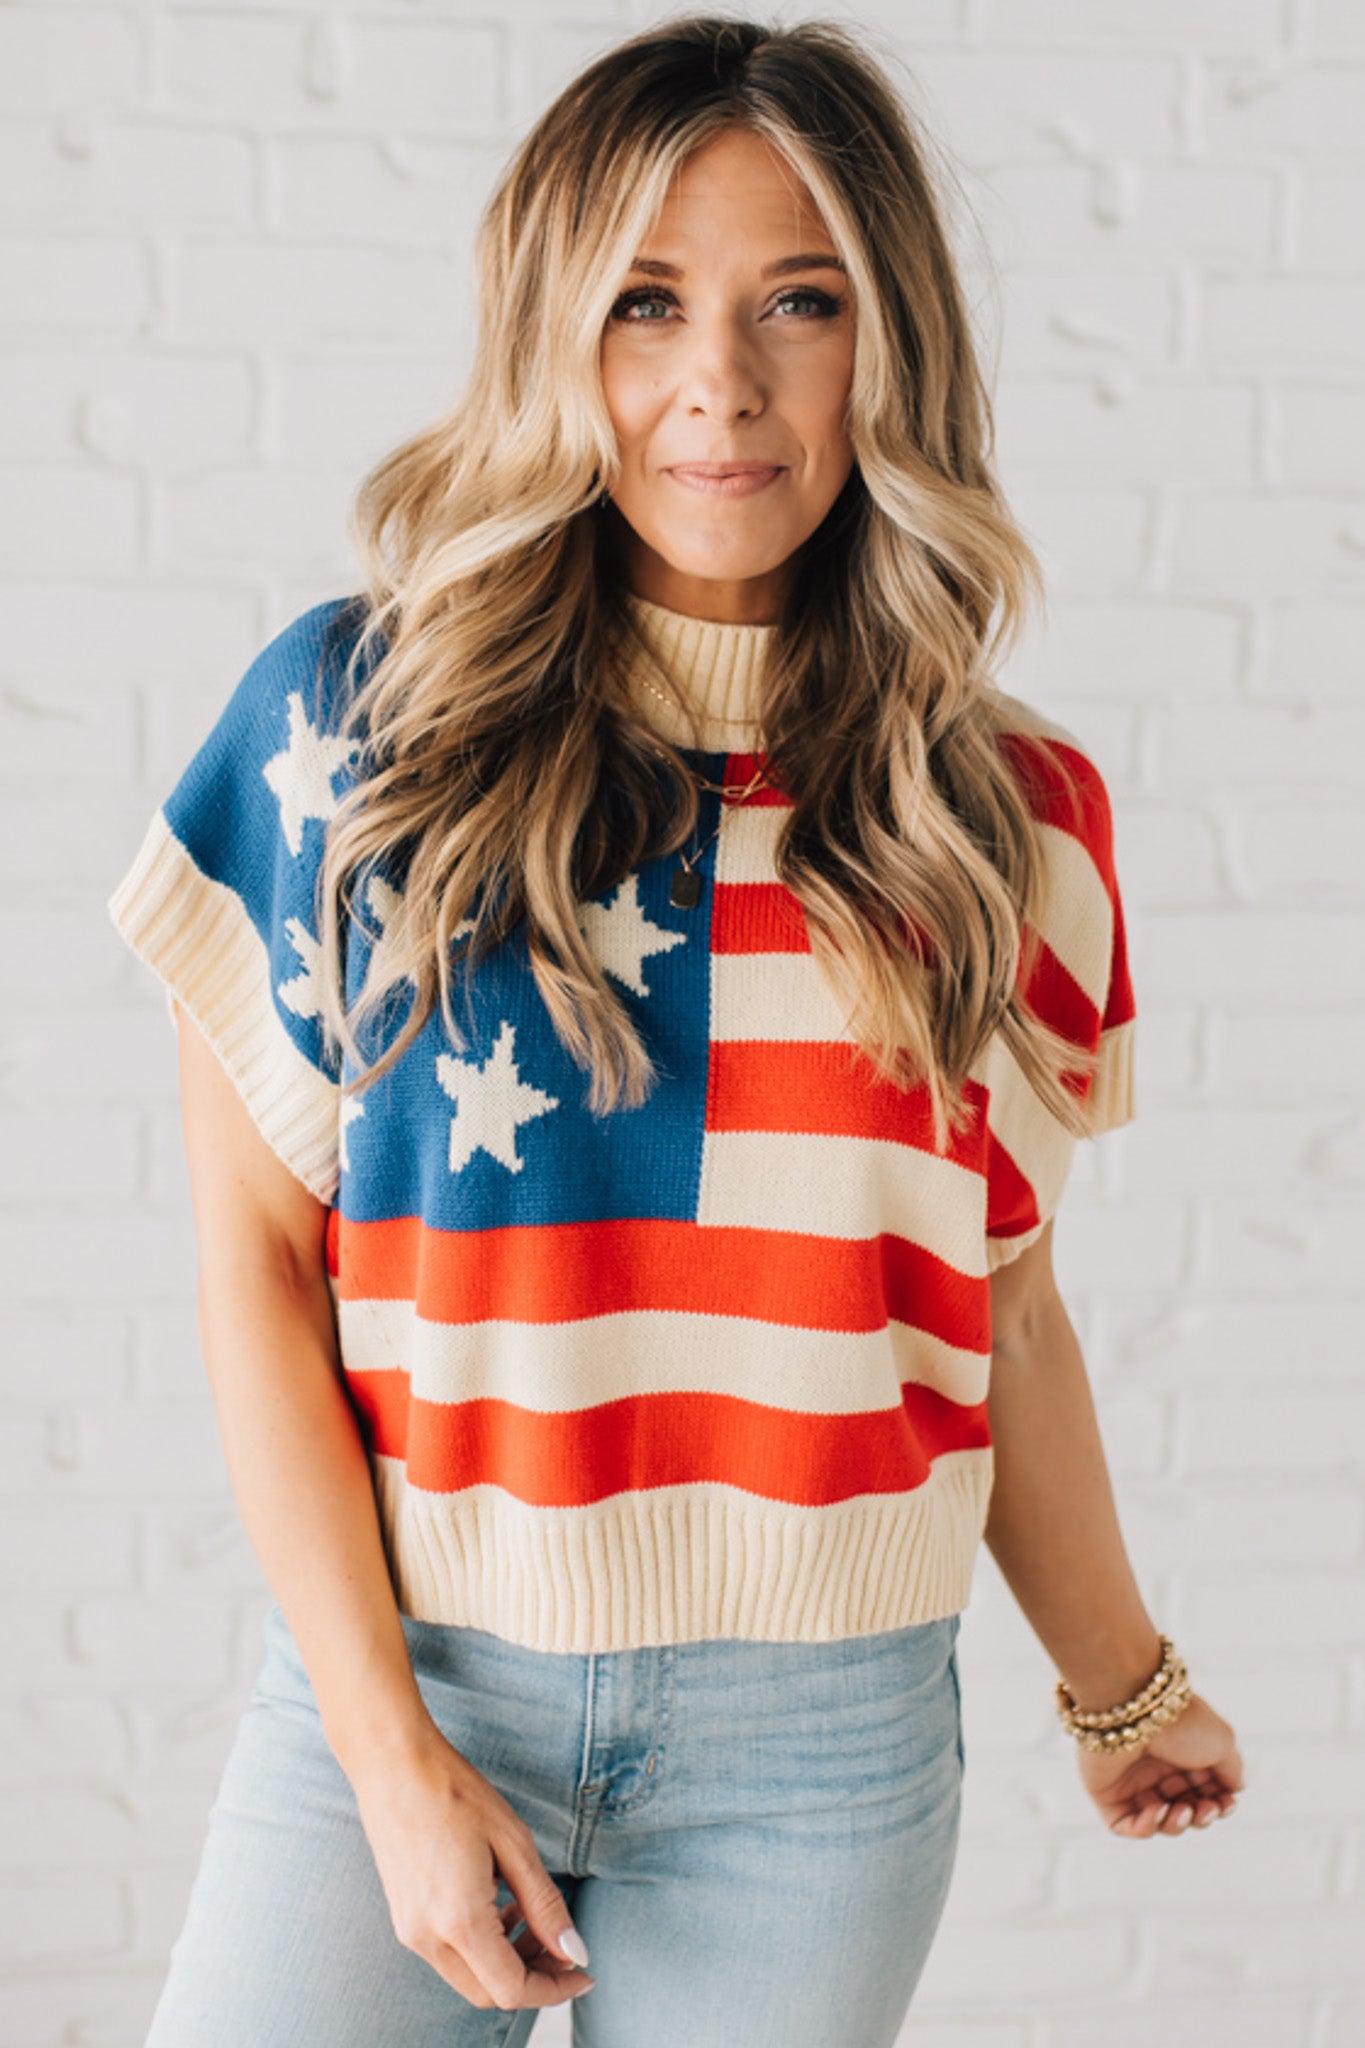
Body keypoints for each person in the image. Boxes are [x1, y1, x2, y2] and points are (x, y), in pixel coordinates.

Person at [106, 15, 1245, 2046]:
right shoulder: (348, 738)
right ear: (555, 334)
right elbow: (256, 1279)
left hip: (819, 1759)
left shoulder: (1004, 823)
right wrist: (386, 1761)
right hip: (409, 1678)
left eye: (796, 303)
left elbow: (999, 1311)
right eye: (644, 303)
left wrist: (1120, 1683)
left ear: (885, 347)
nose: (717, 382)